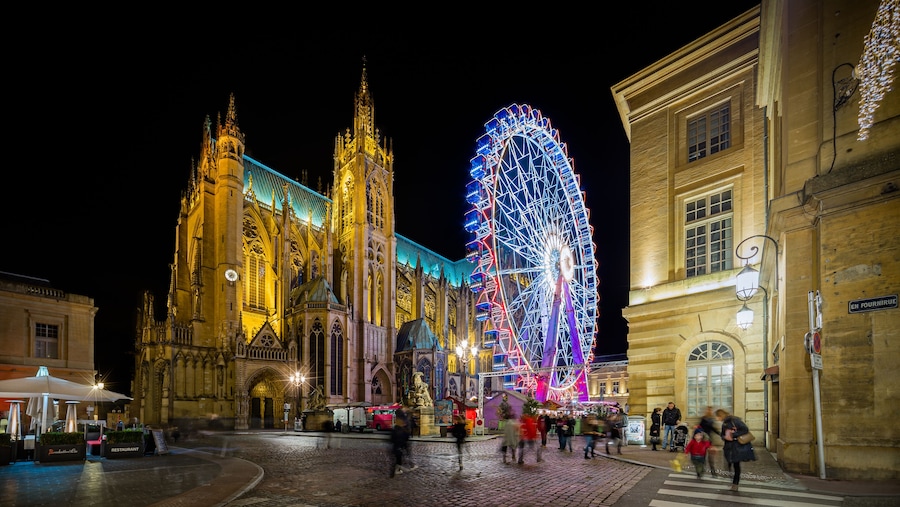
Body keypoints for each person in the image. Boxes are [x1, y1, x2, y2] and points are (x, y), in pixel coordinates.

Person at [716, 408, 756, 492]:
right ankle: (733, 481)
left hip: (737, 447)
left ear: (721, 415)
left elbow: (745, 429)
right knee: (729, 463)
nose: (717, 419)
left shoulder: (735, 421)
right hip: (728, 447)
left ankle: (735, 483)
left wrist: (733, 434)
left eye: (717, 417)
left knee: (736, 465)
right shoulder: (725, 423)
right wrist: (724, 437)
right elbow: (723, 434)